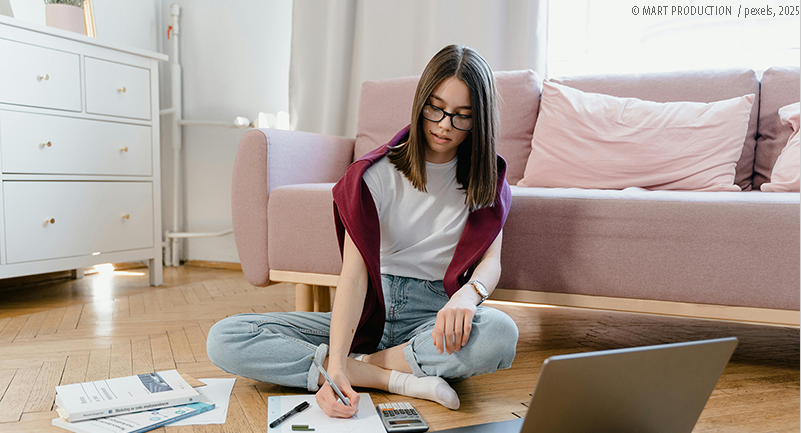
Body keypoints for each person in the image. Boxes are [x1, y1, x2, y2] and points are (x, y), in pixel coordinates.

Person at [206, 44, 518, 418]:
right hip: (368, 311)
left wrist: (469, 296)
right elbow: (354, 278)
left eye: (462, 116)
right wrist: (338, 359)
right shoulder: (377, 173)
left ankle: (361, 365)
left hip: (432, 318)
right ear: (420, 102)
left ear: (479, 119)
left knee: (500, 332)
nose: (444, 125)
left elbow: (491, 262)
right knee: (225, 338)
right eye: (435, 108)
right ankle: (397, 378)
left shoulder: (488, 179)